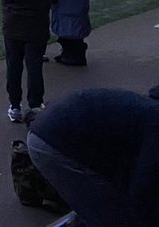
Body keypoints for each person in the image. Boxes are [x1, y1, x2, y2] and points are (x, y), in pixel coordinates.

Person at [27, 83, 159, 227]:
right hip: (55, 141)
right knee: (117, 217)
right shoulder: (154, 121)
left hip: (56, 129)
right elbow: (142, 192)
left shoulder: (148, 109)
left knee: (102, 205)